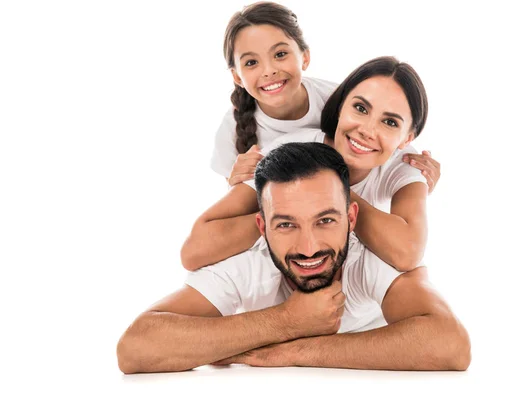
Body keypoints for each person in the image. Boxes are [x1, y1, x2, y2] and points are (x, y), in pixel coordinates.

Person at [117, 142, 470, 373]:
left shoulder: (372, 256)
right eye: (286, 224)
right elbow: (136, 347)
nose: (308, 247)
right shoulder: (249, 262)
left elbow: (450, 343)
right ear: (262, 226)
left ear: (352, 218)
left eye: (326, 220)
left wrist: (292, 349)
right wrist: (284, 321)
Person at [183, 56, 434, 272]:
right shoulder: (291, 149)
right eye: (360, 108)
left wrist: (330, 194)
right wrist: (284, 217)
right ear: (340, 106)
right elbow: (194, 251)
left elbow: (407, 254)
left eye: (390, 122)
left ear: (407, 138)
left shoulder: (408, 166)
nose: (367, 130)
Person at [212, 1, 440, 189]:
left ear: (305, 58)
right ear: (237, 77)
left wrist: (420, 171)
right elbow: (238, 199)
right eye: (251, 62)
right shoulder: (231, 128)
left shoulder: (339, 100)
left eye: (280, 54)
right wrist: (236, 180)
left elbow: (386, 137)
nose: (269, 70)